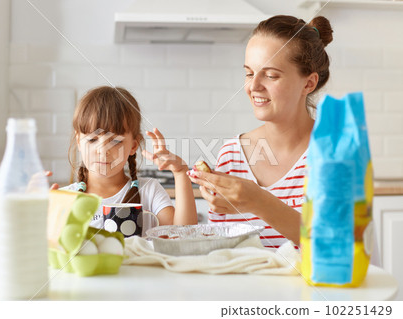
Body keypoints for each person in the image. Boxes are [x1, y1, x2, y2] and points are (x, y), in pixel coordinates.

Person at [188, 15, 333, 248]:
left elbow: (336, 246)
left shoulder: (335, 152)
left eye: (271, 75)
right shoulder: (232, 155)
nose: (253, 86)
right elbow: (217, 251)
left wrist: (258, 201)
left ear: (308, 83)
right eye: (249, 73)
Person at [59, 86, 197, 229]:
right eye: (92, 140)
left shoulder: (149, 191)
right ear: (79, 142)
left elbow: (182, 235)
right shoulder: (63, 199)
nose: (103, 150)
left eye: (116, 141)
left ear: (133, 146)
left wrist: (181, 173)